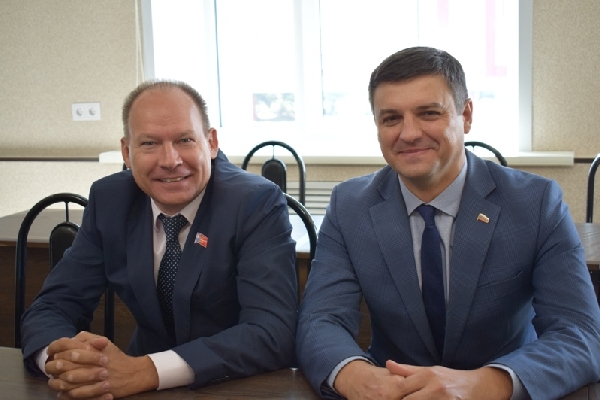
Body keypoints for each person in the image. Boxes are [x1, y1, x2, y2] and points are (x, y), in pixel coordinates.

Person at [296, 46, 600, 400]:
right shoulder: (350, 206)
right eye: (391, 118)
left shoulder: (536, 203)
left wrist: (483, 384)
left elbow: (580, 334)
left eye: (428, 113)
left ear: (465, 115)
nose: (409, 133)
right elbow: (320, 321)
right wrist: (359, 378)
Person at [21, 80, 298, 399]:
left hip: (236, 385)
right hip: (135, 388)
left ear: (211, 143)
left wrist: (147, 371)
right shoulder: (110, 199)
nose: (170, 160)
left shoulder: (254, 202)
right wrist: (63, 362)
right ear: (127, 152)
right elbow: (54, 304)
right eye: (150, 143)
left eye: (184, 140)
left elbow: (271, 332)